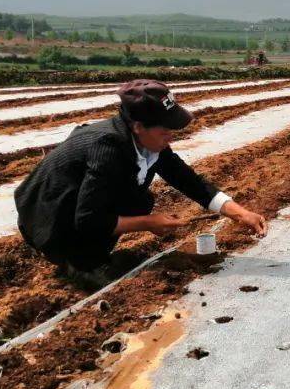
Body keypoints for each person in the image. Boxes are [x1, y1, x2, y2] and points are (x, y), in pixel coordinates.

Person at [14, 79, 268, 288]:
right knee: (135, 203)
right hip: (48, 222)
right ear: (138, 126)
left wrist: (240, 213)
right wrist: (149, 222)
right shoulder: (108, 148)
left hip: (74, 210)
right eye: (164, 131)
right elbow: (88, 219)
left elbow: (189, 181)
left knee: (139, 199)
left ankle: (91, 256)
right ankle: (81, 265)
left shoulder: (149, 145)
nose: (170, 138)